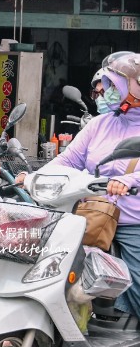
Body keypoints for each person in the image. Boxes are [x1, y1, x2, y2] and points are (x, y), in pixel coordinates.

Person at [15, 53, 140, 318]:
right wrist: (35, 178)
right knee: (62, 273)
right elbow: (69, 159)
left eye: (112, 86)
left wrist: (126, 181)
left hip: (132, 221)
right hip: (91, 215)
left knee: (137, 285)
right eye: (106, 86)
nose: (105, 92)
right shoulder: (99, 125)